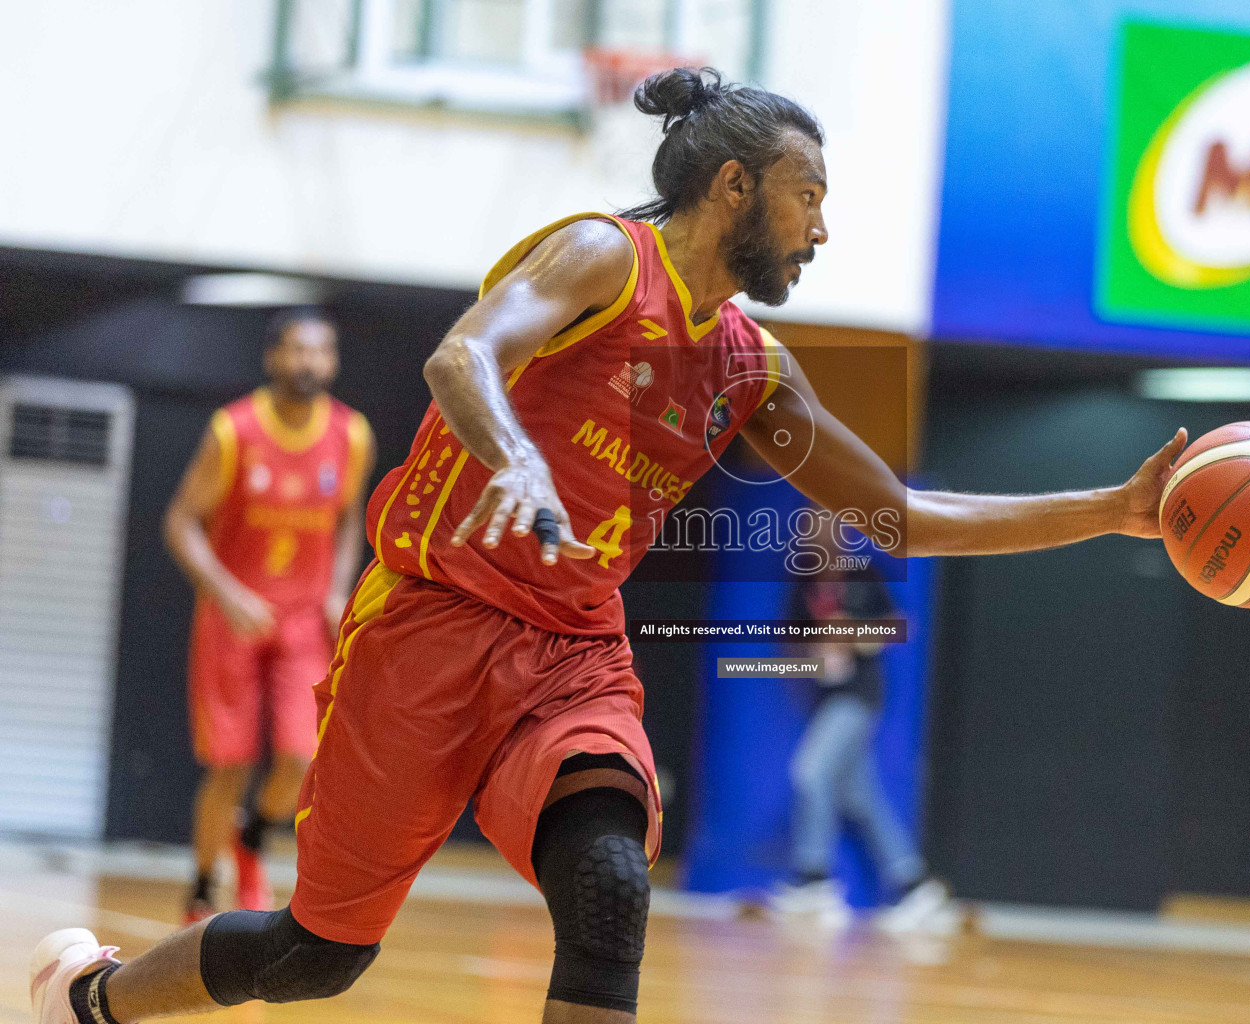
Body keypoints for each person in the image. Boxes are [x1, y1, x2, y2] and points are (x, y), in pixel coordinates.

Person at [28, 67, 1185, 1024]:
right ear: (733, 186)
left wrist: (1115, 509)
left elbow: (897, 514)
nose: (823, 227)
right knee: (319, 954)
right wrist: (515, 458)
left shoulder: (749, 366)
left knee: (610, 885)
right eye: (807, 195)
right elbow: (460, 358)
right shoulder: (598, 256)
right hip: (429, 624)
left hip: (571, 653)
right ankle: (92, 998)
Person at [161, 310, 375, 924]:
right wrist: (225, 592)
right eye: (297, 351)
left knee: (299, 759)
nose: (308, 363)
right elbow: (179, 520)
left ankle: (250, 836)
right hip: (235, 615)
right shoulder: (234, 430)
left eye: (321, 352)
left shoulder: (351, 434)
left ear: (332, 362)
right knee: (228, 762)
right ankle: (203, 886)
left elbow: (348, 519)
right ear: (273, 357)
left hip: (306, 619)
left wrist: (337, 591)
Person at [771, 558, 955, 933]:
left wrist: (854, 634)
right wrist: (816, 652)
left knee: (810, 772)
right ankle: (913, 886)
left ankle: (813, 879)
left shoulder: (862, 573)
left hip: (859, 698)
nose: (818, 528)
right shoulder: (802, 580)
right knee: (861, 799)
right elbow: (790, 644)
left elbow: (902, 626)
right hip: (827, 694)